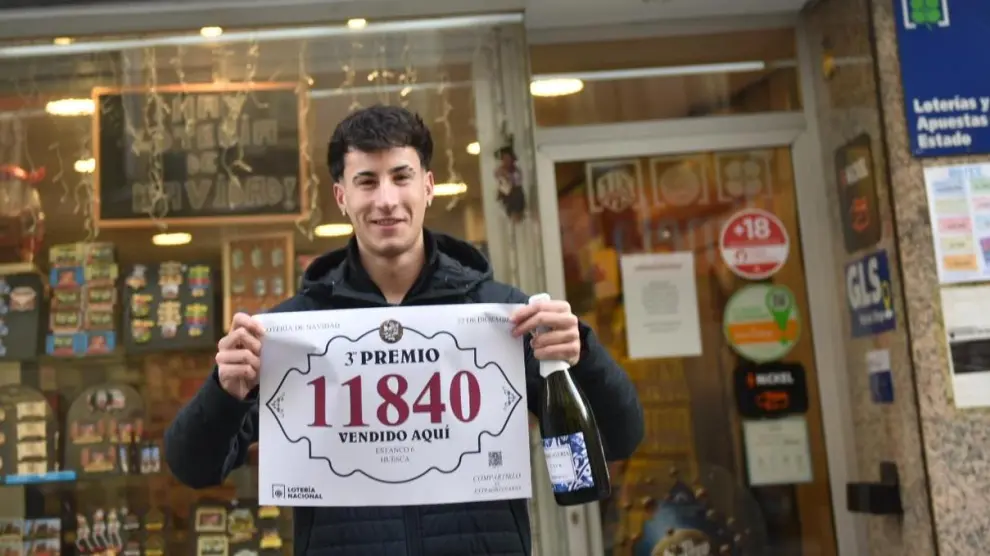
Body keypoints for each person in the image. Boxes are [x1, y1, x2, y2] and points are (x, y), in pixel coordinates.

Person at [164, 105, 644, 556]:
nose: (386, 200)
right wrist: (224, 391)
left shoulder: (504, 317)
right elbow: (193, 468)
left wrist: (581, 353)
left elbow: (618, 441)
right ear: (341, 197)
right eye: (367, 181)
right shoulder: (291, 333)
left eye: (401, 177)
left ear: (429, 187)